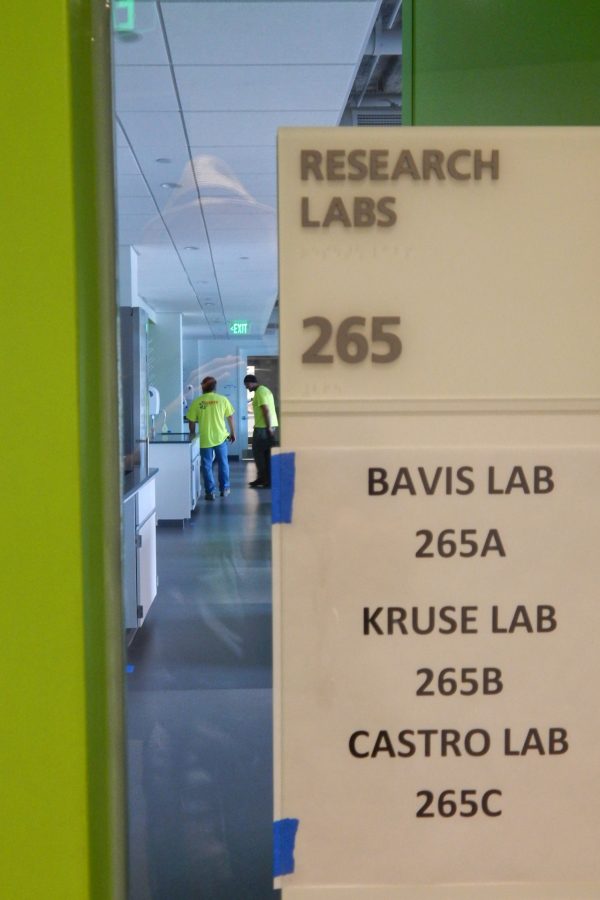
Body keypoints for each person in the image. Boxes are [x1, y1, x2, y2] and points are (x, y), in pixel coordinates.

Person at [186, 376, 235, 500]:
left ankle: (210, 492)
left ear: (203, 387)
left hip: (205, 438)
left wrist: (192, 433)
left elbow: (191, 420)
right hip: (221, 437)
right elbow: (230, 417)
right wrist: (232, 432)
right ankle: (224, 489)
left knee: (207, 466)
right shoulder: (222, 400)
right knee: (223, 463)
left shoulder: (197, 401)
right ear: (215, 387)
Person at [243, 374, 278, 488]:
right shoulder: (265, 390)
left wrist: (267, 427)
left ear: (251, 382)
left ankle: (264, 479)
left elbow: (266, 410)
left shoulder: (260, 392)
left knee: (259, 454)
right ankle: (266, 479)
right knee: (267, 454)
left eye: (247, 385)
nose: (247, 387)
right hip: (269, 426)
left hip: (263, 428)